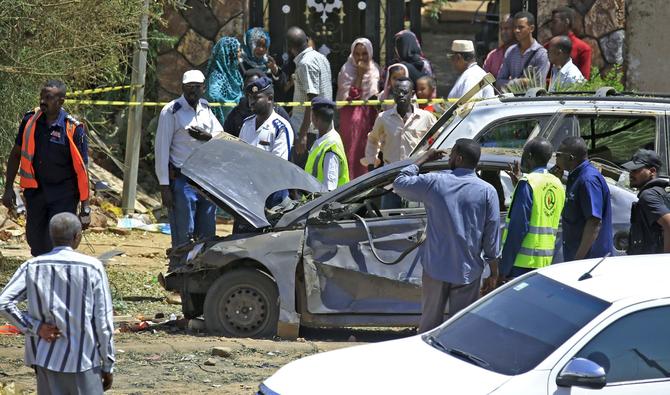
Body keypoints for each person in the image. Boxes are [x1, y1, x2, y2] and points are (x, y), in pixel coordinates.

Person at [0, 212, 114, 394]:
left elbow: (3, 303)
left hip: (46, 359)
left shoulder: (33, 266)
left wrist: (36, 327)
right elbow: (103, 322)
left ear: (51, 236)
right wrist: (107, 364)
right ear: (77, 237)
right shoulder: (92, 267)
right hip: (83, 360)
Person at [393, 140, 500, 333]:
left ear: (458, 158)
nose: (449, 158)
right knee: (461, 330)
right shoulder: (487, 191)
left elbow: (399, 183)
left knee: (428, 326)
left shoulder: (435, 182)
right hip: (468, 271)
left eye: (452, 155)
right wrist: (493, 270)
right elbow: (491, 235)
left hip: (436, 269)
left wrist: (423, 158)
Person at [2, 80, 91, 257]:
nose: (43, 101)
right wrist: (8, 187)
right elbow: (16, 154)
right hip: (36, 193)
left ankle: (57, 277)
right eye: (42, 97)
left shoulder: (73, 128)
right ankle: (42, 274)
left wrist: (86, 207)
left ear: (61, 102)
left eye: (48, 98)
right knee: (35, 240)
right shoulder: (29, 121)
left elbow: (83, 169)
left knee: (57, 242)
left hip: (64, 194)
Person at [155, 70, 223, 256]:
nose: (193, 91)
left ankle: (202, 277)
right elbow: (161, 150)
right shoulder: (171, 111)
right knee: (184, 234)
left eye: (197, 87)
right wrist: (164, 187)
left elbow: (220, 134)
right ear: (182, 88)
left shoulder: (206, 108)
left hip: (206, 180)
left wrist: (207, 137)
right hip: (183, 181)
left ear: (204, 88)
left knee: (206, 234)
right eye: (189, 87)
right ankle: (179, 272)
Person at [501, 138, 565, 279]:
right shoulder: (557, 184)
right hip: (544, 262)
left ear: (529, 156)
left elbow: (518, 228)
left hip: (521, 263)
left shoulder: (528, 183)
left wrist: (504, 267)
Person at [555, 136, 613, 261]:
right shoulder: (574, 175)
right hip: (578, 257)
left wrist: (578, 260)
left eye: (558, 154)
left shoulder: (588, 180)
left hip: (589, 260)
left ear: (570, 158)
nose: (555, 158)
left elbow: (594, 222)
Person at [239, 76, 294, 208]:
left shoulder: (280, 127)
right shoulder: (247, 124)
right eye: (250, 97)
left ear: (269, 98)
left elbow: (277, 165)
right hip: (247, 194)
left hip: (272, 197)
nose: (251, 102)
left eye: (256, 98)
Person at [365, 77, 436, 170]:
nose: (401, 95)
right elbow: (373, 139)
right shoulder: (383, 118)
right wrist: (371, 163)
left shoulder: (426, 117)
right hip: (390, 171)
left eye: (405, 92)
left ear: (412, 94)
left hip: (418, 170)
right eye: (397, 92)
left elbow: (440, 136)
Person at [286, 26, 332, 166]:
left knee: (302, 175)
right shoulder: (320, 57)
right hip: (320, 125)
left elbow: (311, 99)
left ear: (290, 47)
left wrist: (303, 134)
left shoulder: (305, 63)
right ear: (306, 40)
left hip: (308, 129)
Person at [336, 37, 381, 178]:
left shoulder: (375, 70)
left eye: (364, 54)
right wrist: (360, 76)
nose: (360, 58)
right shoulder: (346, 70)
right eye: (357, 54)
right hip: (351, 117)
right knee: (352, 150)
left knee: (369, 148)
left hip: (370, 117)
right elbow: (350, 96)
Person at [623, 149, 670, 254]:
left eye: (636, 170)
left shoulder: (648, 195)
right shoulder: (659, 191)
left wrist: (666, 261)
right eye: (630, 170)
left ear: (652, 171)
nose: (631, 174)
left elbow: (669, 224)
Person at [223, 68, 291, 137]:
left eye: (256, 96)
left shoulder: (278, 112)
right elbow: (226, 137)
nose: (250, 90)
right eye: (247, 87)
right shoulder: (238, 113)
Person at [496, 11, 550, 89]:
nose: (516, 31)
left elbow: (538, 85)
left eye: (521, 27)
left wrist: (510, 84)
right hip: (512, 100)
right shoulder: (510, 52)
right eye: (515, 27)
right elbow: (499, 82)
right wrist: (521, 82)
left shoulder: (541, 54)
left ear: (531, 28)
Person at [305, 97, 349, 191]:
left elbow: (329, 190)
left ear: (316, 119)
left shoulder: (330, 148)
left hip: (321, 203)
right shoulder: (326, 140)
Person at [239, 27, 289, 100]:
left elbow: (282, 87)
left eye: (264, 46)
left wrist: (275, 70)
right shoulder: (241, 64)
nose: (261, 49)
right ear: (249, 44)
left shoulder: (269, 63)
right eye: (258, 45)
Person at [205, 36, 244, 126]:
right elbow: (212, 96)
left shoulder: (235, 73)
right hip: (223, 125)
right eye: (238, 51)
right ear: (229, 54)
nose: (240, 53)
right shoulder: (217, 76)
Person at [546, 6, 592, 79]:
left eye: (555, 22)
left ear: (566, 22)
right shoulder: (547, 46)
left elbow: (583, 80)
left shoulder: (583, 48)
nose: (551, 26)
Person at [483, 14, 515, 78]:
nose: (503, 32)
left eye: (506, 28)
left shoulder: (523, 54)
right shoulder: (492, 56)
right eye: (501, 29)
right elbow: (483, 82)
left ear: (515, 29)